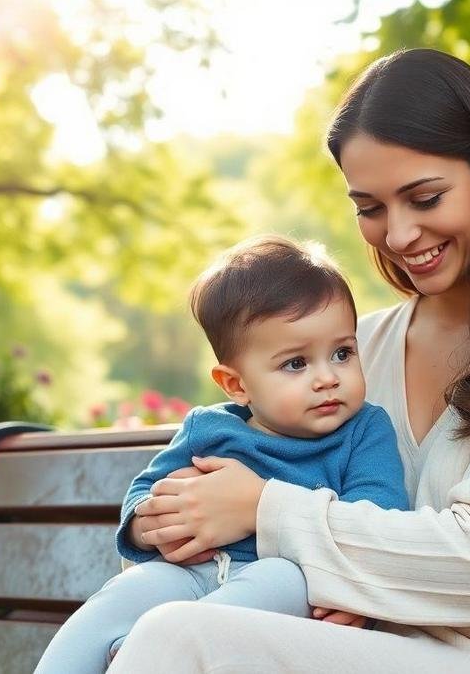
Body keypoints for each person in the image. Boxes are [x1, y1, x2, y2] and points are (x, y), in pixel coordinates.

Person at [107, 48, 470, 673]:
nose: (397, 236)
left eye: (424, 198)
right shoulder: (351, 353)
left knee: (182, 641)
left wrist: (263, 510)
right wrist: (172, 523)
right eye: (370, 208)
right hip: (355, 651)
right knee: (155, 628)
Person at [33, 235, 409, 673]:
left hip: (287, 586)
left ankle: (150, 649)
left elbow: (377, 516)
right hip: (192, 572)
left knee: (281, 579)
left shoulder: (363, 430)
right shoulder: (210, 429)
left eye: (342, 353)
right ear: (236, 385)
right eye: (296, 364)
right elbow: (145, 492)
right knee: (118, 598)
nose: (327, 377)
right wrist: (147, 525)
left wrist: (350, 591)